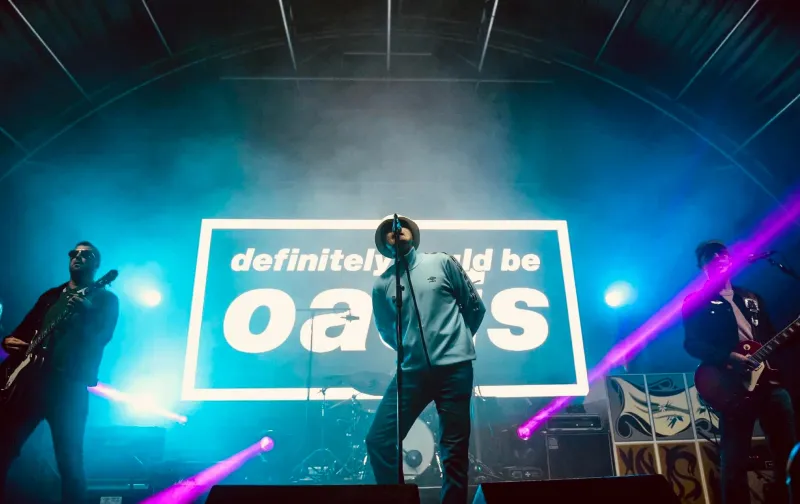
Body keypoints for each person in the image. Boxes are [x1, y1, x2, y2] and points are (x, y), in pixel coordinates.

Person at [365, 215, 486, 504]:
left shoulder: (442, 262)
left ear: (413, 234)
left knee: (454, 451)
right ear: (384, 244)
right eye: (389, 232)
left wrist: (456, 342)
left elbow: (475, 307)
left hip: (454, 370)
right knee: (379, 439)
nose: (397, 231)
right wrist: (410, 351)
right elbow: (385, 329)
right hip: (411, 373)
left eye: (402, 226)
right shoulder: (382, 284)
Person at [0, 241, 119, 503]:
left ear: (97, 264)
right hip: (31, 384)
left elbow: (102, 338)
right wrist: (9, 340)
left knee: (70, 462)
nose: (78, 257)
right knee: (4, 449)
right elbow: (22, 331)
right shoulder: (51, 296)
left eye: (86, 254)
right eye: (74, 253)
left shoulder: (105, 299)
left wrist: (87, 313)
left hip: (68, 387)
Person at [683, 240, 797, 504]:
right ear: (703, 266)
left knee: (788, 455)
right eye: (711, 256)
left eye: (723, 254)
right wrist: (729, 358)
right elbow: (692, 343)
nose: (719, 258)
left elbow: (770, 337)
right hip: (732, 385)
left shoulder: (751, 298)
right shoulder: (696, 301)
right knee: (734, 461)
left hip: (769, 383)